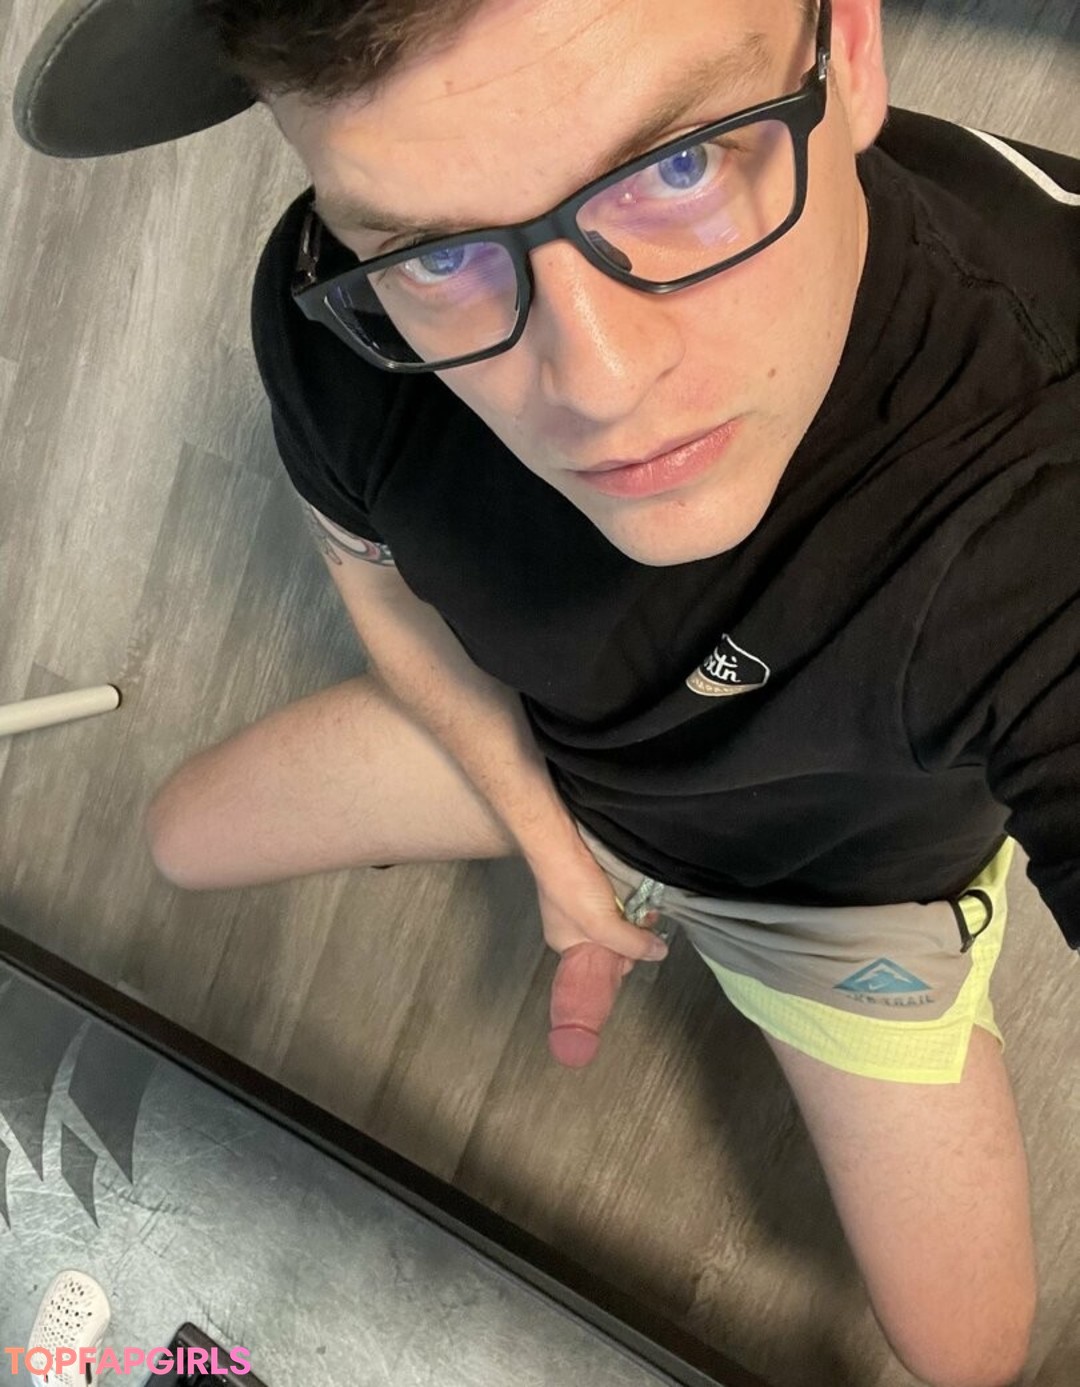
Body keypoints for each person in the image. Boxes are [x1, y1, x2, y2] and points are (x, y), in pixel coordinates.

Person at [141, 1, 1080, 1382]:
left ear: (853, 48)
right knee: (179, 839)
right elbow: (380, 590)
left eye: (679, 163)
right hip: (565, 762)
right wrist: (556, 852)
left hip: (826, 897)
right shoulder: (338, 298)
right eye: (443, 251)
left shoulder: (1040, 448)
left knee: (969, 1351)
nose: (601, 383)